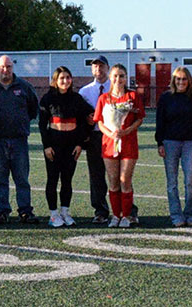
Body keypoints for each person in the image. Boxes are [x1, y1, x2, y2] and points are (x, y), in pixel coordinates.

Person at [0, 55, 40, 224]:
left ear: (13, 68)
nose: (6, 70)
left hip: (19, 140)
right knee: (0, 179)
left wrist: (20, 124)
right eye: (2, 67)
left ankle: (25, 211)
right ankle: (3, 211)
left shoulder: (24, 87)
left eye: (9, 66)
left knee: (22, 178)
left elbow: (33, 109)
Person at [39, 66, 94, 228]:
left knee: (67, 180)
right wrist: (47, 146)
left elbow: (89, 119)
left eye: (68, 78)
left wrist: (80, 144)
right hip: (54, 144)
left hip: (71, 145)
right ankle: (53, 214)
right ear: (56, 80)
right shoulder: (48, 99)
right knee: (52, 179)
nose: (65, 81)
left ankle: (65, 212)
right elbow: (42, 125)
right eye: (62, 78)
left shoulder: (77, 99)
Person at [94, 64, 146, 228]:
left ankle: (126, 216)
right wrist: (111, 134)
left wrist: (127, 130)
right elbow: (100, 122)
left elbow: (139, 118)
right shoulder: (104, 98)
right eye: (115, 75)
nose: (118, 79)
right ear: (110, 77)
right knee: (113, 181)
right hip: (109, 144)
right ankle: (115, 215)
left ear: (126, 78)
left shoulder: (132, 96)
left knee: (125, 180)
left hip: (128, 143)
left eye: (122, 76)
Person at [156, 67, 192, 227]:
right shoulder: (166, 97)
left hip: (189, 142)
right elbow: (160, 121)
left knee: (190, 180)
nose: (181, 82)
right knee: (172, 182)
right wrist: (159, 142)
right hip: (170, 142)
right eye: (178, 79)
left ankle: (190, 214)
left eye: (184, 79)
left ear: (189, 80)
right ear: (173, 80)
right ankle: (176, 216)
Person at [79, 55, 118, 224]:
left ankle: (124, 209)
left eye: (101, 66)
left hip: (113, 135)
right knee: (96, 175)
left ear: (107, 68)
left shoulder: (116, 88)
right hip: (94, 136)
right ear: (92, 69)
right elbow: (80, 115)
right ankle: (100, 210)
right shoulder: (85, 91)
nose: (98, 69)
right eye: (95, 66)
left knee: (117, 174)